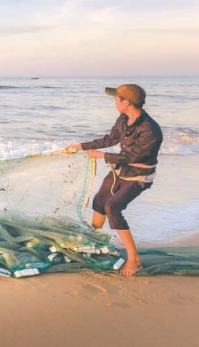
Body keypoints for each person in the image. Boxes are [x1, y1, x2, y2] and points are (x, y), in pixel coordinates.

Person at [65, 84, 162, 277]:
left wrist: (100, 156)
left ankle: (134, 260)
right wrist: (80, 146)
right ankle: (95, 243)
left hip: (139, 175)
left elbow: (132, 158)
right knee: (99, 202)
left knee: (113, 208)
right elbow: (110, 139)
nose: (115, 102)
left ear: (126, 102)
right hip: (121, 170)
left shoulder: (150, 130)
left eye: (117, 99)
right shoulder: (124, 118)